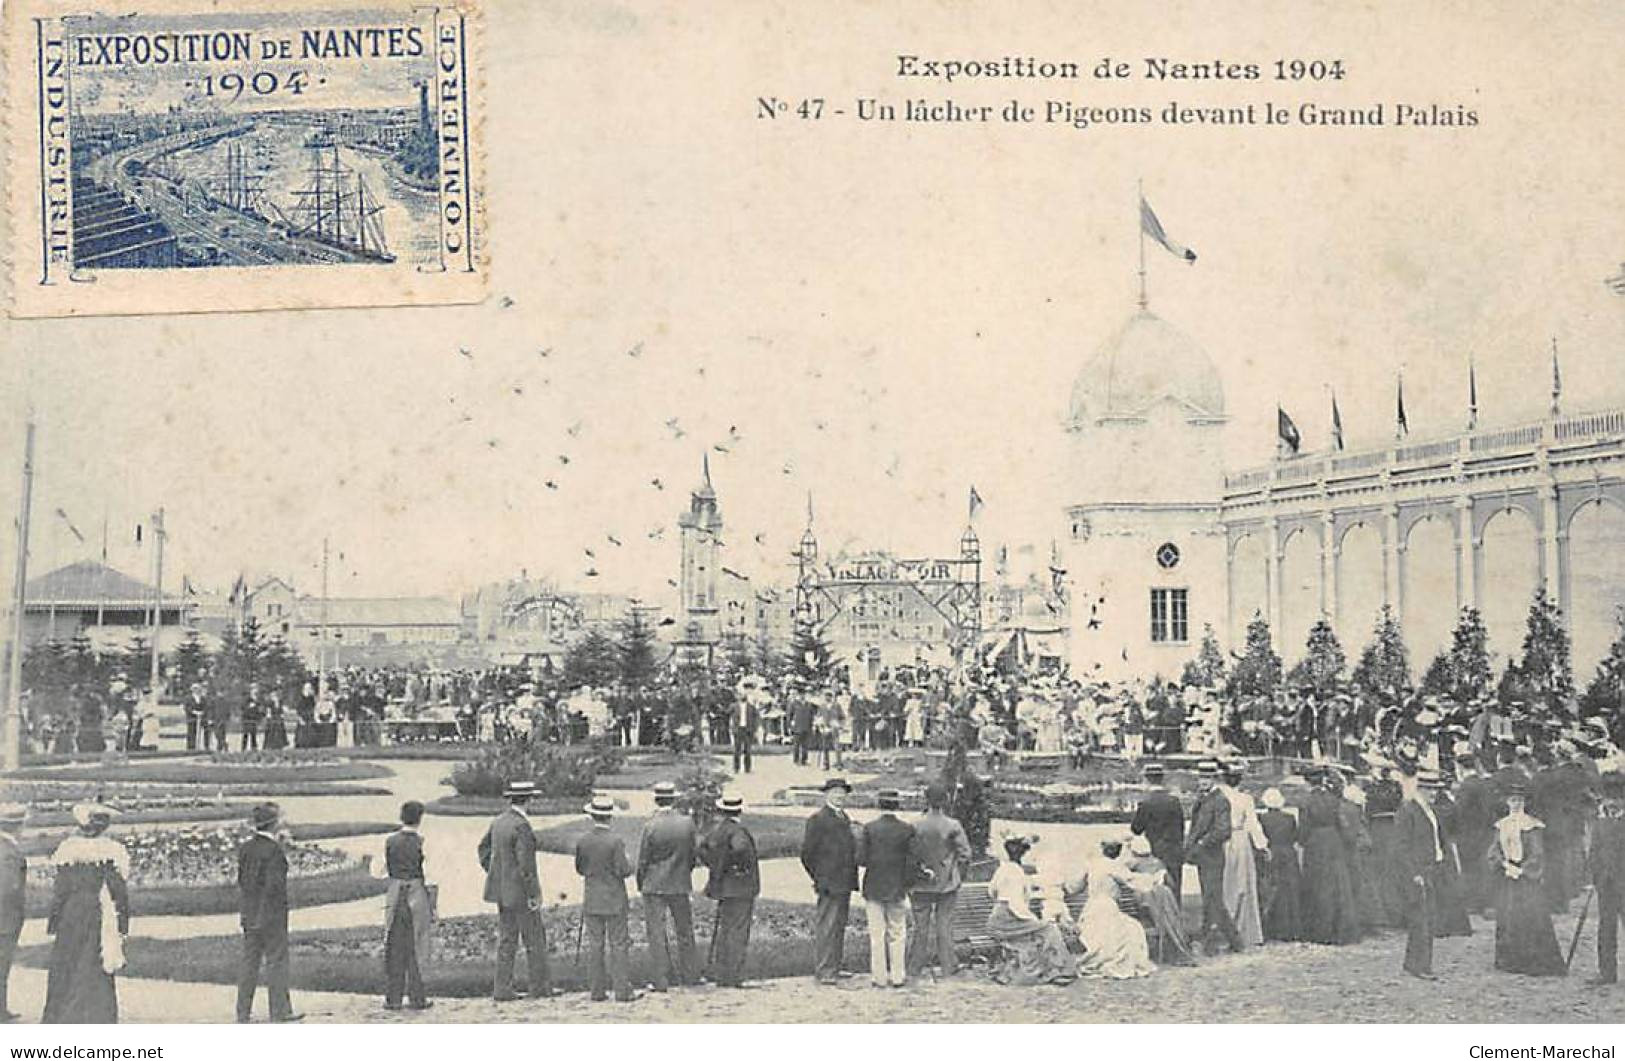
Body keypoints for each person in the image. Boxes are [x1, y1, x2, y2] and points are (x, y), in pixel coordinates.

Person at [43, 803, 129, 1024]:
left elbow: (60, 889)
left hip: (72, 911)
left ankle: (62, 1015)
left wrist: (54, 920)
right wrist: (123, 925)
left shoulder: (68, 849)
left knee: (67, 960)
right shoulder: (112, 851)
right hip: (99, 910)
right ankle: (96, 1015)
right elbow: (118, 890)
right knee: (96, 960)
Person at [477, 780, 556, 1001]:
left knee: (507, 939)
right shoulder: (522, 826)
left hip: (501, 890)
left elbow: (483, 849)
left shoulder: (499, 821)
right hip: (520, 892)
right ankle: (539, 987)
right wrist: (534, 894)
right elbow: (526, 866)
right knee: (535, 939)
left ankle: (502, 988)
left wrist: (496, 872)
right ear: (529, 799)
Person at [1487, 780, 1565, 976]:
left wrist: (1523, 870)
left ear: (1524, 802)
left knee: (1531, 915)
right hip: (1507, 874)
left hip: (1526, 877)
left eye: (1519, 800)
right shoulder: (1501, 825)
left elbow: (1538, 853)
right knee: (1508, 916)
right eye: (1512, 800)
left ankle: (1532, 960)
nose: (1516, 804)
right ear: (1506, 802)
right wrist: (1504, 865)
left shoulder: (1532, 825)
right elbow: (1493, 850)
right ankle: (1510, 960)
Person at [235, 802, 301, 1023]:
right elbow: (274, 887)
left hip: (249, 912)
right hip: (272, 915)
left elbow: (242, 881)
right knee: (277, 961)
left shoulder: (245, 848)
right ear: (273, 824)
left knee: (249, 962)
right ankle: (279, 1011)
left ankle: (242, 1011)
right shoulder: (274, 852)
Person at [575, 795, 640, 1002]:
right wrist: (629, 864)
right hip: (614, 898)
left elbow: (580, 868)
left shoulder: (584, 841)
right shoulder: (615, 841)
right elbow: (623, 870)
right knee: (619, 944)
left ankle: (596, 991)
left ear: (592, 815)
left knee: (595, 945)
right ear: (609, 816)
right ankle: (622, 990)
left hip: (592, 898)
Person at [986, 835, 1074, 986]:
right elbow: (1016, 905)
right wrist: (1033, 920)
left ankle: (1047, 969)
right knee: (1049, 929)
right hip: (1009, 917)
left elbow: (991, 891)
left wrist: (1001, 901)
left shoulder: (1003, 869)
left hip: (997, 917)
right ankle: (1057, 970)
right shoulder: (1016, 872)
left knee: (1040, 931)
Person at [636, 781, 699, 991]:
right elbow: (692, 855)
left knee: (656, 932)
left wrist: (641, 881)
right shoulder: (687, 823)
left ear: (656, 799)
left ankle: (661, 979)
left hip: (654, 884)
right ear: (673, 799)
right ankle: (690, 975)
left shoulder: (651, 826)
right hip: (680, 882)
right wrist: (684, 873)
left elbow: (644, 859)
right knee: (685, 930)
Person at [909, 782, 971, 979]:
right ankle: (948, 966)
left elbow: (909, 855)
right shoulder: (953, 825)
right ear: (946, 800)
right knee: (945, 926)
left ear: (925, 800)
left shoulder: (914, 825)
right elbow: (965, 855)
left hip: (920, 884)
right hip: (947, 884)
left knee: (920, 928)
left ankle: (915, 967)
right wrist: (959, 875)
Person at [799, 777, 858, 985]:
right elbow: (807, 854)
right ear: (827, 794)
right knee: (827, 925)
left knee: (839, 924)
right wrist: (819, 876)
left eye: (843, 793)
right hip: (828, 882)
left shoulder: (844, 817)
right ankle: (824, 969)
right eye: (835, 792)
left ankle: (836, 966)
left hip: (845, 881)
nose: (840, 796)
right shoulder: (818, 819)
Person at [1071, 840, 1157, 979]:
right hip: (1107, 908)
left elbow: (1073, 887)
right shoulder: (1113, 866)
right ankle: (1110, 961)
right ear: (1117, 853)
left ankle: (1100, 958)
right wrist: (1153, 879)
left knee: (1130, 927)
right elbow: (1131, 880)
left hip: (1091, 908)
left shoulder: (1093, 864)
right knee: (1131, 930)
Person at [857, 789, 917, 988]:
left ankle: (879, 977)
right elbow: (912, 861)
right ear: (897, 806)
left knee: (876, 934)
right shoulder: (907, 829)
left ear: (878, 805)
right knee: (898, 932)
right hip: (897, 887)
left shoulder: (869, 828)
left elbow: (861, 859)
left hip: (874, 886)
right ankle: (898, 975)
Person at [701, 793, 759, 988]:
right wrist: (736, 867)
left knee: (725, 930)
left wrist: (716, 867)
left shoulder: (717, 830)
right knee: (738, 931)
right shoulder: (738, 831)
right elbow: (740, 849)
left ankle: (722, 973)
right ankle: (734, 974)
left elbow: (702, 849)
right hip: (740, 887)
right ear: (740, 810)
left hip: (723, 886)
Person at [1185, 759, 1243, 954]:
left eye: (1207, 778)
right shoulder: (1202, 798)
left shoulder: (1220, 800)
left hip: (1212, 855)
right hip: (1203, 856)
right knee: (1210, 898)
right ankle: (1219, 939)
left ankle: (1221, 940)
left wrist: (1202, 843)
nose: (1203, 782)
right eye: (1201, 778)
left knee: (1213, 898)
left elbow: (1223, 830)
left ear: (1214, 779)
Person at [1300, 766, 1361, 945]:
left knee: (1318, 885)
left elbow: (1303, 829)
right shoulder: (1334, 799)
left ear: (1308, 782)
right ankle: (1340, 929)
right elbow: (1341, 823)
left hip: (1316, 843)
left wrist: (1302, 841)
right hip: (1333, 842)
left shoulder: (1307, 801)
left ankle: (1320, 931)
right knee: (1337, 884)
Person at [383, 800, 434, 1012]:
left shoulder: (390, 841)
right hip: (415, 893)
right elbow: (431, 876)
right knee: (416, 945)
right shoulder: (422, 842)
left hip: (395, 894)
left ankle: (393, 998)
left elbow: (380, 870)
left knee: (394, 944)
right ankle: (417, 997)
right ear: (420, 818)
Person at [1396, 769, 1445, 979]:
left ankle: (1414, 962)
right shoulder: (1408, 810)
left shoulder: (1427, 810)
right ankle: (1420, 966)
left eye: (1435, 790)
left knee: (1428, 917)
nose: (1434, 794)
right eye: (1430, 790)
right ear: (1420, 789)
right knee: (1421, 918)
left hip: (1429, 867)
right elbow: (1402, 846)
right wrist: (1413, 873)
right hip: (1417, 871)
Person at [1123, 835, 1196, 963]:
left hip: (1147, 900)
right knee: (1171, 918)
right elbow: (1171, 883)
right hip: (1164, 897)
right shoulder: (1158, 862)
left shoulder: (1132, 864)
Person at [1220, 760, 1266, 948]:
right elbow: (1253, 824)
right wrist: (1261, 844)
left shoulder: (1220, 796)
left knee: (1226, 883)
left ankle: (1228, 928)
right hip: (1239, 839)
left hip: (1225, 840)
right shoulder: (1245, 799)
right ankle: (1243, 929)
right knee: (1243, 884)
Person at [1588, 772, 1625, 986]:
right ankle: (1606, 972)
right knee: (1606, 928)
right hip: (1606, 884)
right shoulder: (1601, 823)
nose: (1611, 803)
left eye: (1617, 799)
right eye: (1608, 799)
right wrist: (1596, 876)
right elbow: (1594, 852)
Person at [1130, 761, 1185, 898]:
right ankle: (1176, 916)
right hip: (1175, 850)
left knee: (1159, 889)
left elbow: (1136, 829)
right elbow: (1181, 826)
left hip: (1156, 851)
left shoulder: (1146, 804)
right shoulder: (1175, 801)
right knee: (1175, 888)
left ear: (1147, 780)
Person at [1258, 787, 1303, 942]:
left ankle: (1275, 929)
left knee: (1273, 890)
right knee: (1291, 890)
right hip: (1288, 853)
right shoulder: (1289, 818)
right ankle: (1293, 928)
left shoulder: (1262, 818)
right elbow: (1296, 836)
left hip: (1272, 853)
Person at [0, 804, 26, 1023]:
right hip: (4, 917)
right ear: (18, 825)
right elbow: (8, 887)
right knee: (2, 963)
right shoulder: (9, 851)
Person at [731, 695, 758, 774]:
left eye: (743, 695)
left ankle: (747, 768)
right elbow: (726, 713)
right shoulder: (734, 706)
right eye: (740, 695)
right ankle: (736, 768)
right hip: (738, 729)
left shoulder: (751, 707)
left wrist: (754, 729)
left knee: (748, 750)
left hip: (747, 730)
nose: (742, 697)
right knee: (737, 750)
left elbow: (756, 718)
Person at [183, 682, 209, 751]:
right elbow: (186, 707)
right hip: (191, 718)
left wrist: (202, 712)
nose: (196, 690)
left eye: (198, 689)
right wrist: (193, 712)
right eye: (195, 689)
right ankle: (191, 748)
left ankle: (204, 746)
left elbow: (206, 707)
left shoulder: (202, 698)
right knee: (191, 733)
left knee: (204, 731)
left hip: (201, 718)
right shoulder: (188, 698)